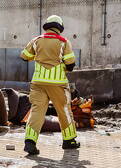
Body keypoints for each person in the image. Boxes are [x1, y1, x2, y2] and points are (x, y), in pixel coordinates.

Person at [19, 15, 79, 155]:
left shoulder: (36, 40)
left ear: (47, 26)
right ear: (59, 28)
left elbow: (24, 56)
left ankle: (30, 142)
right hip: (58, 84)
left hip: (38, 82)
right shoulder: (64, 42)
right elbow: (70, 65)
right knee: (64, 111)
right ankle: (69, 141)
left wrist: (38, 56)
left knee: (37, 111)